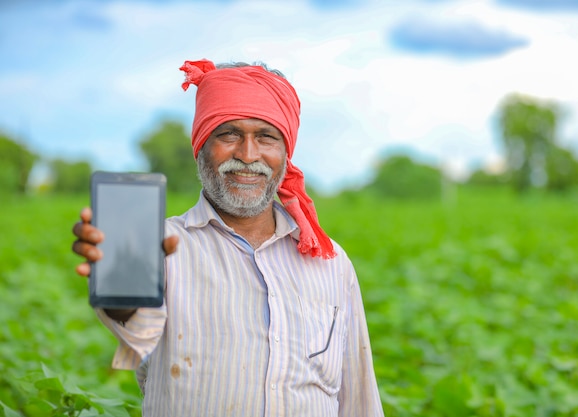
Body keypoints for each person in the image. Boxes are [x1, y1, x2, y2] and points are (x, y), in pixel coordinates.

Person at [72, 59, 384, 416]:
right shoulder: (163, 246)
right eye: (229, 134)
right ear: (202, 146)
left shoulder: (329, 263)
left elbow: (359, 401)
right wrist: (117, 277)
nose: (248, 155)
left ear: (285, 153)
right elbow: (134, 326)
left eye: (266, 136)